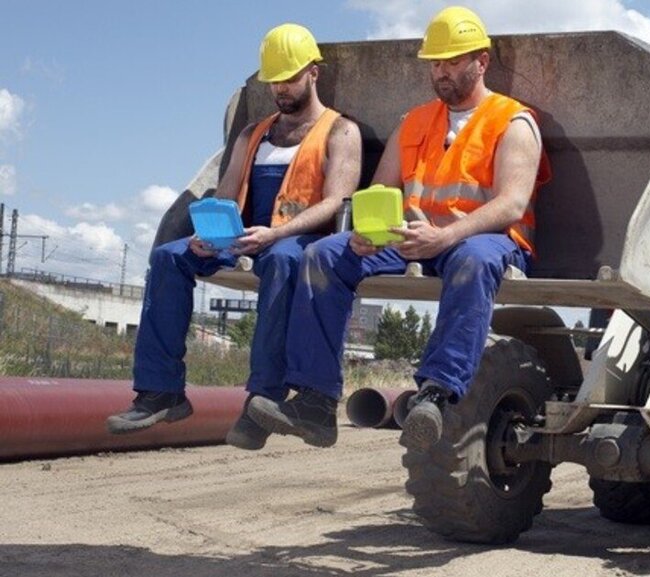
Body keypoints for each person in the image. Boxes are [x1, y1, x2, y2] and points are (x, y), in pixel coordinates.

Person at [248, 5, 550, 450]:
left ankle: (436, 395)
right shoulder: (415, 121)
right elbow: (380, 189)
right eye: (435, 64)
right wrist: (368, 231)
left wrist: (447, 235)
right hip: (410, 237)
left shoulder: (512, 121)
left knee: (472, 260)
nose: (441, 73)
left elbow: (512, 204)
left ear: (480, 62)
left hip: (483, 240)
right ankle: (315, 400)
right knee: (323, 255)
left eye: (451, 62)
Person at [105, 24, 362, 451]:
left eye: (289, 78)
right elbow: (226, 196)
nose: (281, 88)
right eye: (274, 80)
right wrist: (207, 237)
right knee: (171, 256)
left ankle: (263, 399)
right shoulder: (252, 135)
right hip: (241, 238)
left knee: (283, 262)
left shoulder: (341, 132)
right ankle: (160, 392)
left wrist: (276, 233)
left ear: (313, 73)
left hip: (294, 239)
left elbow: (336, 202)